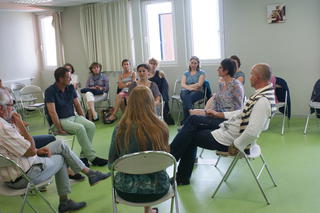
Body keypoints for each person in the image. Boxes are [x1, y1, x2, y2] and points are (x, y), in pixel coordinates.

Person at [0, 88, 111, 213]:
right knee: (61, 157)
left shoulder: (4, 123)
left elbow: (22, 149)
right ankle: (65, 201)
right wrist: (20, 124)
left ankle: (90, 174)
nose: (13, 108)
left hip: (16, 169)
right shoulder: (3, 127)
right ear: (0, 108)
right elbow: (30, 150)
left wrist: (36, 151)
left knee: (60, 145)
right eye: (11, 105)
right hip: (24, 176)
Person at [170, 63, 277, 185]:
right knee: (191, 126)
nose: (250, 76)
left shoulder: (262, 101)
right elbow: (241, 112)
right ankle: (177, 169)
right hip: (228, 132)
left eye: (252, 74)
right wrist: (219, 115)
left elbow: (252, 132)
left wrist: (236, 145)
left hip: (229, 141)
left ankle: (171, 159)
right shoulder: (261, 95)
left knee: (189, 134)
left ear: (257, 77)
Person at [108, 86, 170, 213]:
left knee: (139, 167)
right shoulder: (161, 127)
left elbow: (111, 164)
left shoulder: (119, 129)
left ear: (130, 103)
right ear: (151, 102)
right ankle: (148, 210)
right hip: (158, 189)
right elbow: (165, 159)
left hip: (126, 190)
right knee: (149, 168)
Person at [45, 67, 108, 168]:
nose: (70, 79)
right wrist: (59, 128)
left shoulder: (70, 88)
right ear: (60, 79)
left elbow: (77, 105)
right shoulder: (50, 91)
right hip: (59, 121)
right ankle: (92, 157)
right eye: (68, 77)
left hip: (72, 117)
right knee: (80, 128)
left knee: (90, 125)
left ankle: (83, 156)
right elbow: (52, 112)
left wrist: (83, 118)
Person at [106, 59, 136, 124]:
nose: (126, 66)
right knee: (119, 96)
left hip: (132, 91)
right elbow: (120, 87)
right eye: (124, 64)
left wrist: (124, 84)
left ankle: (127, 116)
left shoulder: (133, 73)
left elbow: (134, 83)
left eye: (127, 64)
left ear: (130, 65)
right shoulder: (121, 75)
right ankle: (115, 115)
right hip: (124, 91)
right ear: (122, 66)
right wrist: (127, 84)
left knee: (124, 99)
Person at [148, 58, 174, 125]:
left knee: (164, 82)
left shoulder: (159, 73)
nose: (153, 65)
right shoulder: (146, 73)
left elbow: (165, 85)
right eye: (151, 63)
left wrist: (161, 96)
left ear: (156, 65)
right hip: (149, 93)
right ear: (148, 64)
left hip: (159, 93)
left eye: (154, 64)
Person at [180, 56, 205, 123]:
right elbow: (182, 84)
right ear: (189, 63)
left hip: (198, 92)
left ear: (198, 64)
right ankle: (190, 115)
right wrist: (191, 88)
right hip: (186, 91)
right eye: (192, 63)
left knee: (186, 99)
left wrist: (188, 87)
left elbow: (199, 84)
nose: (193, 65)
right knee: (184, 95)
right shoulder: (186, 73)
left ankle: (186, 121)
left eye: (195, 63)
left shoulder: (201, 73)